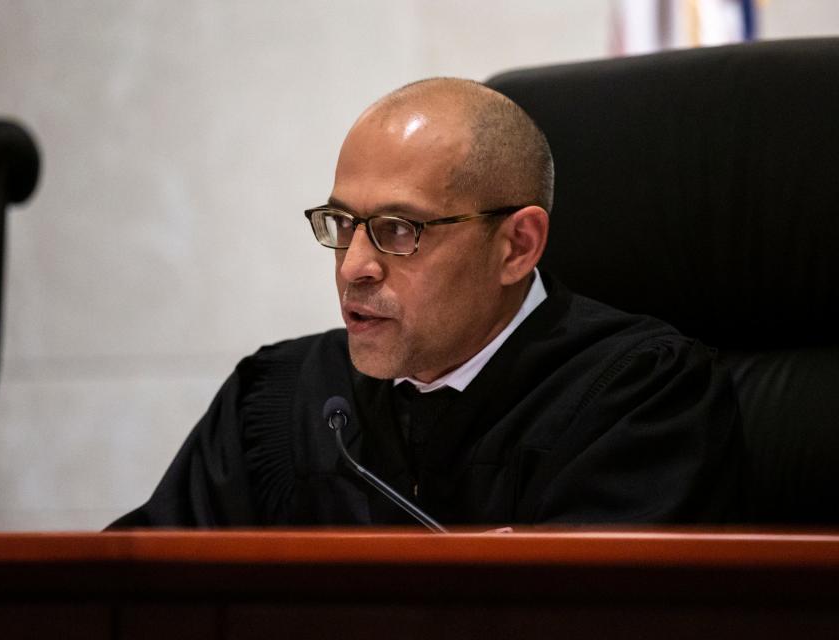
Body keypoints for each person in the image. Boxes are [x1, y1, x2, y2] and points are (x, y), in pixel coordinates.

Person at [112, 78, 744, 529]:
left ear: (516, 247)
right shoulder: (283, 399)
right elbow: (139, 599)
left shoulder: (641, 400)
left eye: (398, 229)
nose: (354, 266)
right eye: (342, 223)